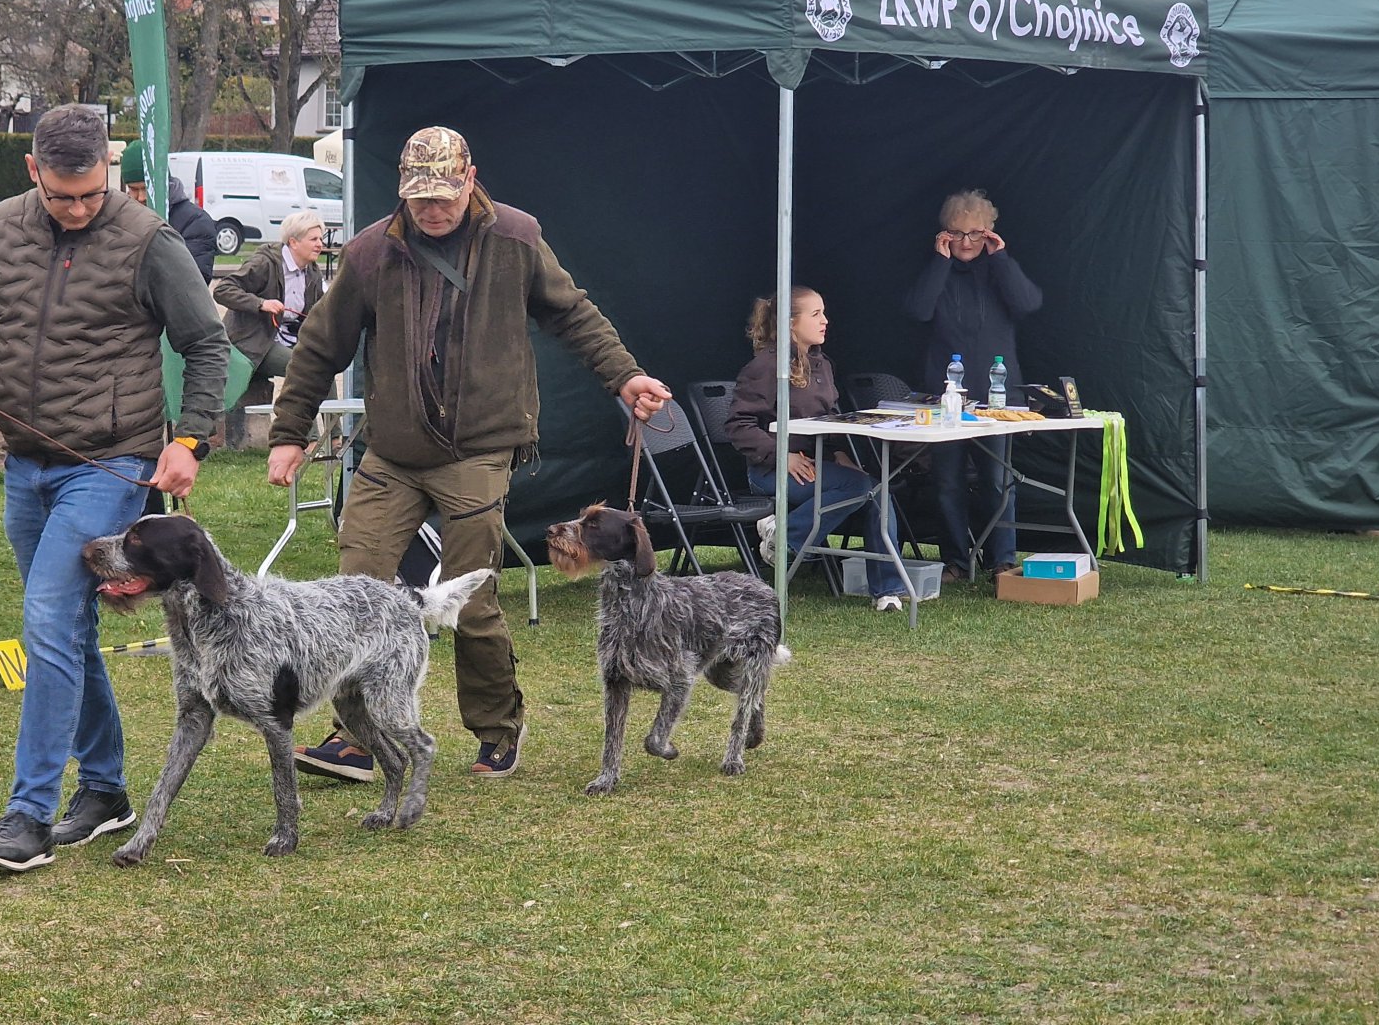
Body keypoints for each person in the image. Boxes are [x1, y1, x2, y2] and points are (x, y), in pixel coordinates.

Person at [266, 124, 672, 781]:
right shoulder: (371, 252)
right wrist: (289, 433)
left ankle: (497, 727)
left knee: (470, 599)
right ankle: (360, 737)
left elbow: (573, 314)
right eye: (419, 197)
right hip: (393, 454)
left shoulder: (516, 237)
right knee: (354, 596)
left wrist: (625, 376)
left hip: (479, 449)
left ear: (471, 179)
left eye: (444, 195)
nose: (431, 208)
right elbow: (319, 345)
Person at [0, 105, 230, 873]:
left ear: (108, 168)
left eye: (92, 193)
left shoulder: (150, 240)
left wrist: (189, 438)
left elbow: (206, 343)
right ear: (34, 171)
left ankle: (27, 815)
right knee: (70, 633)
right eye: (63, 196)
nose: (81, 208)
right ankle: (106, 790)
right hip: (27, 465)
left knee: (49, 619)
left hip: (111, 465)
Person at [725, 287, 909, 613]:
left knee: (875, 489)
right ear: (790, 322)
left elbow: (829, 419)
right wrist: (782, 455)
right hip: (771, 470)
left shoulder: (821, 364)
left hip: (818, 465)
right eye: (816, 314)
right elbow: (738, 426)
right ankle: (785, 537)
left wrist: (840, 454)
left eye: (823, 313)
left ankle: (887, 591)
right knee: (863, 487)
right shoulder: (765, 367)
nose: (825, 321)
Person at [899, 189, 1044, 581]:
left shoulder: (997, 268)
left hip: (997, 396)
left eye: (975, 234)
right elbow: (918, 310)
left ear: (989, 234)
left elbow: (1027, 303)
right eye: (957, 233)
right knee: (947, 482)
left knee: (997, 480)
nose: (966, 242)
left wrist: (1001, 258)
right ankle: (956, 561)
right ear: (943, 234)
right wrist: (940, 261)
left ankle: (1002, 560)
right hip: (945, 396)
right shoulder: (938, 268)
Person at [212, 209, 327, 384]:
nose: (320, 244)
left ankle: (334, 406)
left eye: (320, 239)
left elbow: (319, 311)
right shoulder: (264, 263)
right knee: (308, 367)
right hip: (254, 341)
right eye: (313, 239)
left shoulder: (313, 271)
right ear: (293, 242)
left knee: (325, 365)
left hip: (291, 338)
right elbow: (222, 290)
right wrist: (261, 303)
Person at [119, 139, 216, 282]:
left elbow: (193, 280)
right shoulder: (120, 220)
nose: (141, 197)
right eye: (133, 189)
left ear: (163, 182)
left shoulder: (195, 222)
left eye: (146, 188)